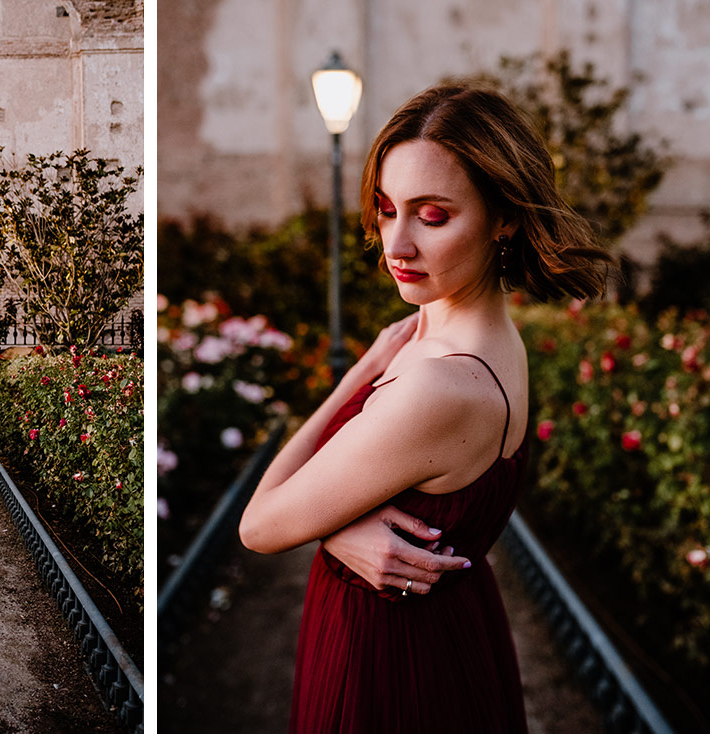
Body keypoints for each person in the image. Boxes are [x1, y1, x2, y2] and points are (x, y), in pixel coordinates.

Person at [239, 82, 612, 733]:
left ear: (503, 218)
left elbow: (260, 525)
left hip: (390, 655)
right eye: (386, 210)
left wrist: (328, 522)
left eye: (432, 215)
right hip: (446, 627)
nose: (396, 244)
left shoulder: (441, 386)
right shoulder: (474, 336)